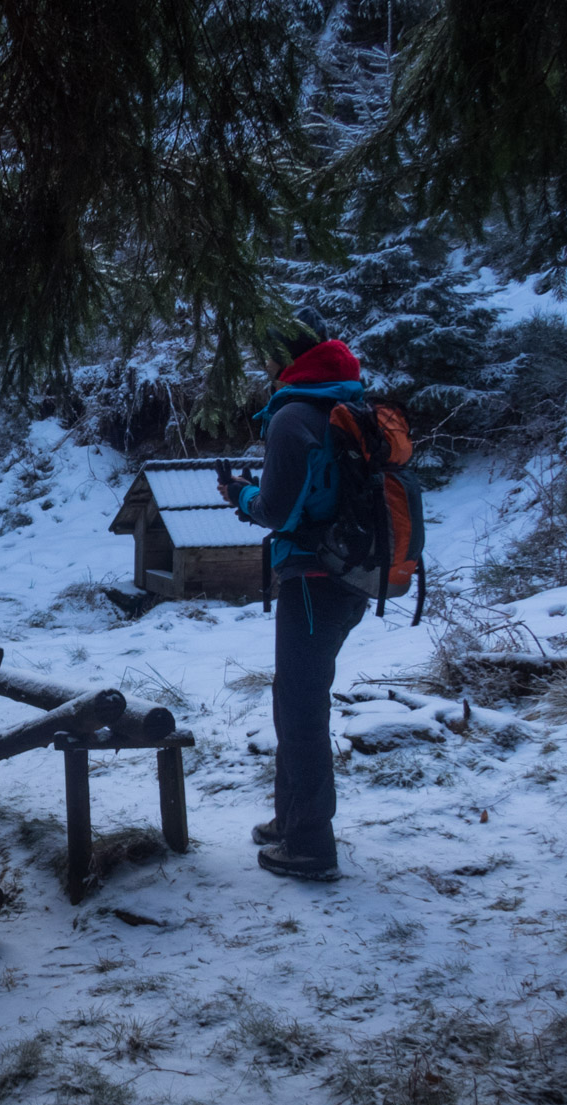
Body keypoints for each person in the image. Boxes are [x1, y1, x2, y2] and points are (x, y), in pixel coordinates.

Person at [217, 306, 367, 882]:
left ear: (283, 358)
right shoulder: (345, 403)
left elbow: (276, 509)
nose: (263, 363)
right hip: (350, 574)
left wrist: (242, 497)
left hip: (313, 577)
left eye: (266, 354)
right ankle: (292, 819)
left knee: (302, 707)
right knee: (295, 698)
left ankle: (308, 845)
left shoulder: (291, 417)